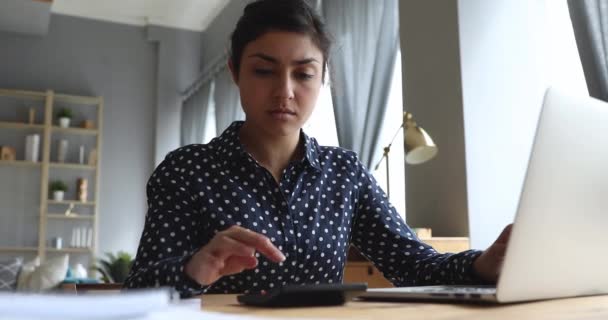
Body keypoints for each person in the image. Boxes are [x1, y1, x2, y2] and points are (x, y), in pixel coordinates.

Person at [124, 0, 511, 298]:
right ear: (234, 72)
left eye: (304, 73)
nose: (285, 92)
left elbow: (413, 264)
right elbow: (138, 292)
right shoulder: (188, 170)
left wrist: (481, 265)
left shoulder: (343, 172)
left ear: (322, 77)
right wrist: (194, 268)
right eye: (264, 70)